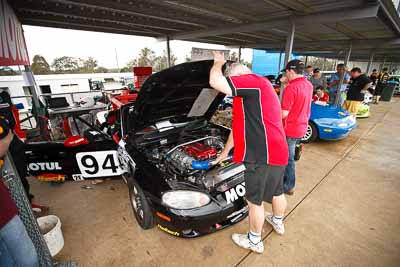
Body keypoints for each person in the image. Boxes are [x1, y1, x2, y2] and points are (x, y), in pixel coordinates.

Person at [210, 51, 289, 254]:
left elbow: (215, 81)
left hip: (261, 155)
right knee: (277, 190)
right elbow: (237, 130)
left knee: (255, 201)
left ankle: (254, 240)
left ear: (236, 77)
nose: (229, 91)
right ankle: (278, 222)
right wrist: (223, 154)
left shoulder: (253, 81)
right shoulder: (247, 96)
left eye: (231, 83)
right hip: (278, 150)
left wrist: (218, 63)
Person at [0, 117, 39, 267]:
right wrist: (8, 137)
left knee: (6, 256)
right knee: (28, 258)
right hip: (3, 212)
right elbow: (4, 140)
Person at [0, 90, 48, 212]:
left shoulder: (3, 95)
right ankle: (17, 209)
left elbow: (12, 119)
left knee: (20, 174)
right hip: (5, 142)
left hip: (11, 139)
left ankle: (27, 204)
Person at [281, 59, 313, 195]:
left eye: (286, 72)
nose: (285, 75)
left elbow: (284, 113)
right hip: (302, 126)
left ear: (290, 71)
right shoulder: (308, 84)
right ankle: (286, 182)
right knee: (290, 155)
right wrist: (287, 82)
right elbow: (299, 95)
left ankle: (289, 186)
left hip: (290, 128)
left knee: (287, 159)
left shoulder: (291, 88)